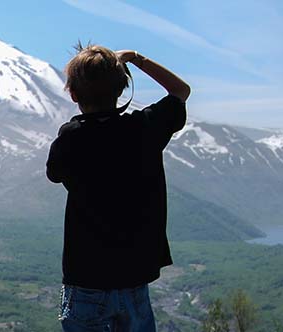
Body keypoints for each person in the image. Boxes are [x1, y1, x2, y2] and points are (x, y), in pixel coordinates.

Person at [46, 43, 190, 332]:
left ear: (73, 94)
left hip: (86, 280)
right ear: (122, 89)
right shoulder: (145, 128)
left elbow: (55, 174)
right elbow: (180, 91)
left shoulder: (72, 138)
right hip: (135, 280)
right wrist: (136, 58)